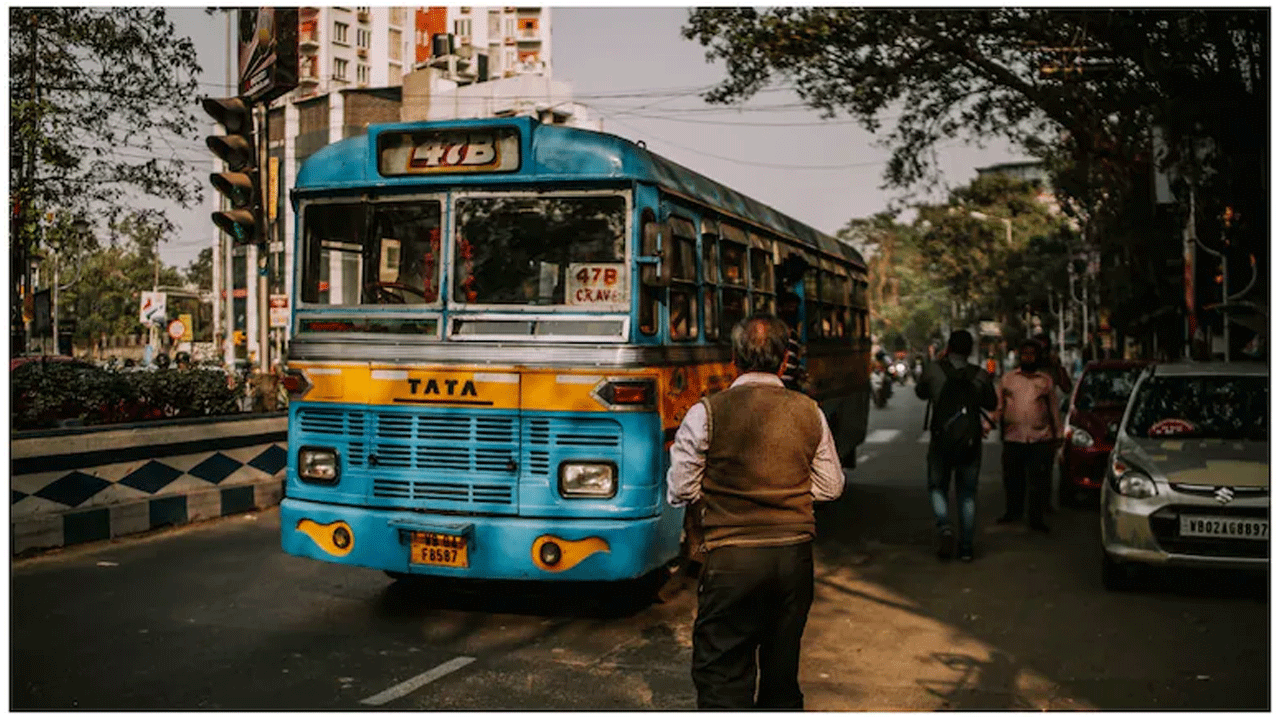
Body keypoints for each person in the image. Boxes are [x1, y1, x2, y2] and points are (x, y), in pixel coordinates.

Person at [666, 314, 844, 709]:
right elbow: (831, 487)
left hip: (732, 559)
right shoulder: (809, 411)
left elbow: (680, 490)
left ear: (734, 360)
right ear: (785, 361)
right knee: (781, 673)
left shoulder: (706, 412)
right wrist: (787, 491)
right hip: (793, 560)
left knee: (723, 675)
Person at [915, 330, 997, 561]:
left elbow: (921, 392)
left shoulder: (934, 370)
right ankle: (966, 548)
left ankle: (945, 527)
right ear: (970, 350)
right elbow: (992, 403)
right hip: (970, 442)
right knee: (967, 494)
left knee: (937, 487)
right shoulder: (979, 374)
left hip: (941, 440)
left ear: (948, 347)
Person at [995, 338, 1062, 532]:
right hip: (1013, 437)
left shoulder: (1045, 380)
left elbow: (1053, 409)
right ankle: (1013, 511)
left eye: (1032, 354)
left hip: (1040, 437)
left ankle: (1036, 518)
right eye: (1025, 354)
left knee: (1038, 481)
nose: (1028, 358)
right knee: (1012, 479)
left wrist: (1058, 433)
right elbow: (999, 407)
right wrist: (988, 423)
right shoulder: (1008, 379)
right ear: (1019, 356)